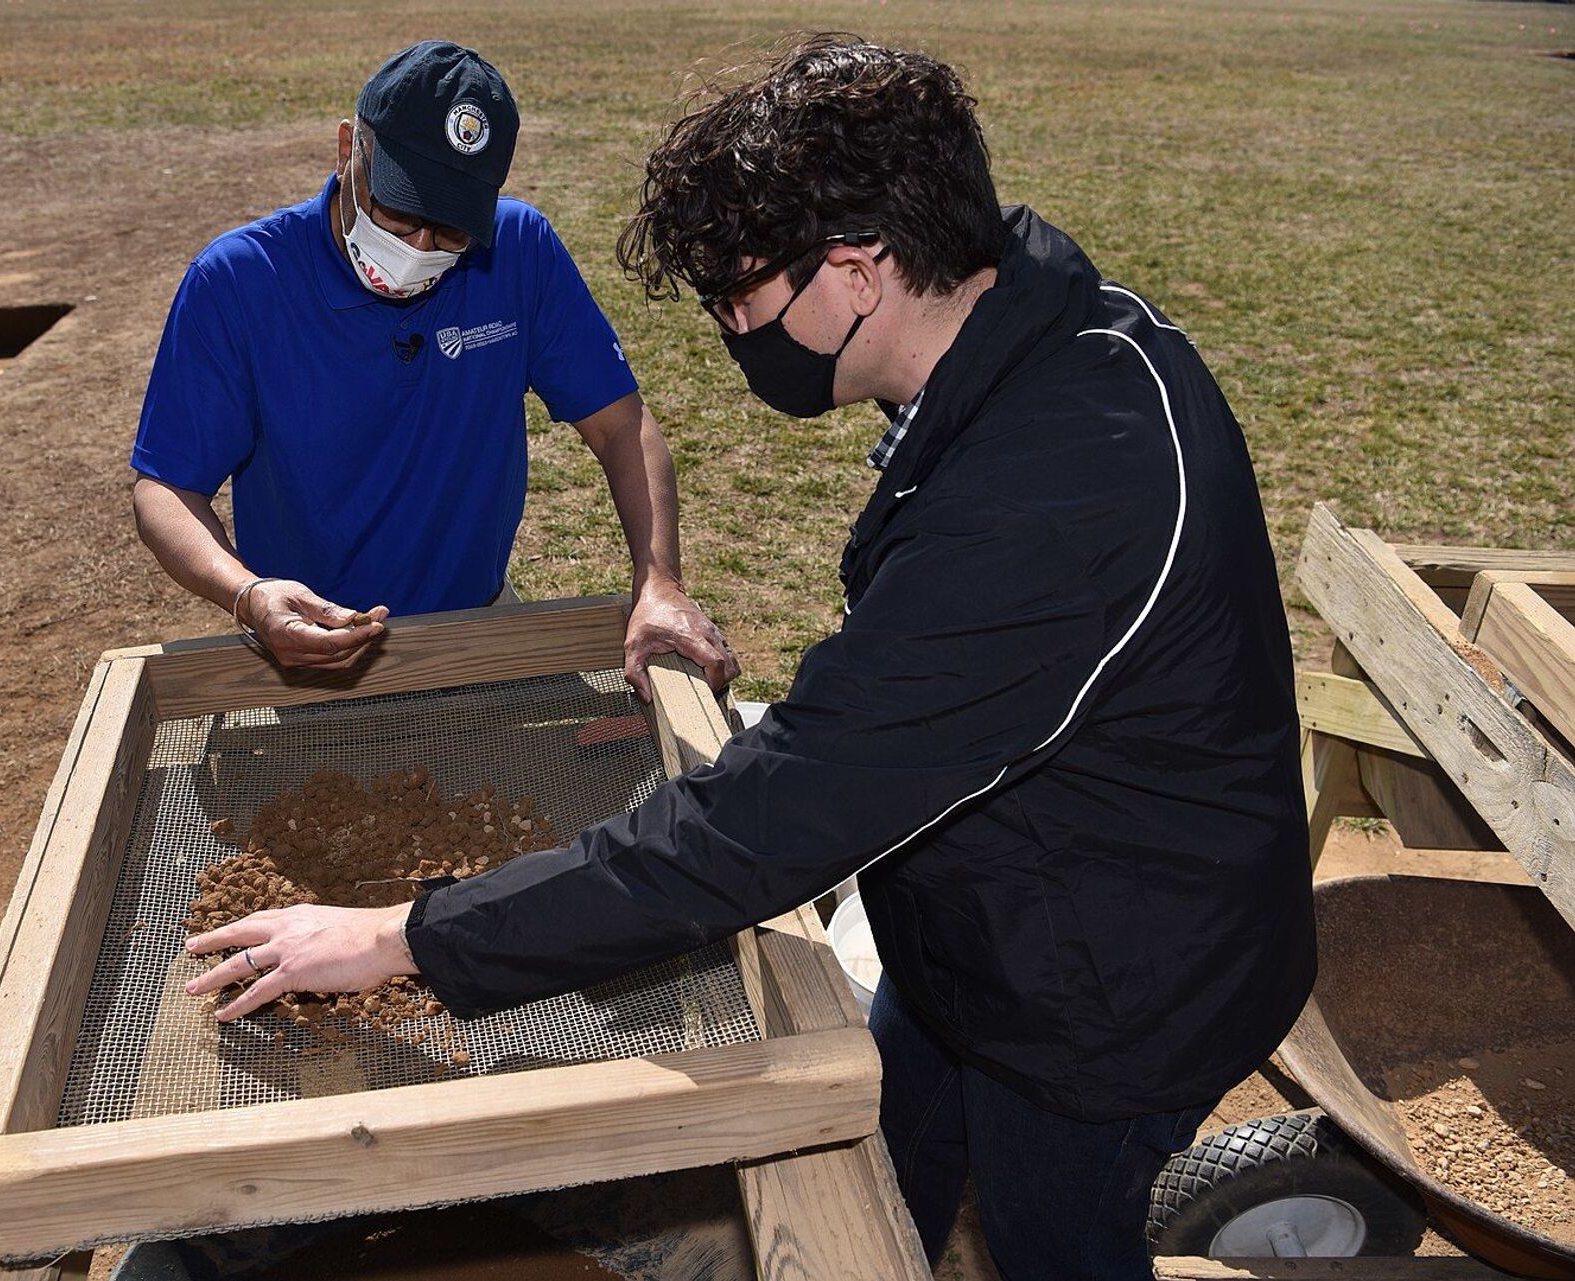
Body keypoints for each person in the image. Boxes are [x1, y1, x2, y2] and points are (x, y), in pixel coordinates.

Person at [182, 36, 1316, 1279]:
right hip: (982, 940)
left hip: (1116, 997)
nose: (733, 332)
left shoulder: (1053, 496)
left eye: (741, 300)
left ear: (857, 270)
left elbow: (758, 829)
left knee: (1055, 1234)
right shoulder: (1043, 342)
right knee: (881, 1176)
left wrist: (409, 937)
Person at [130, 39, 736, 699]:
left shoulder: (519, 251)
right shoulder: (240, 282)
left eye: (450, 230)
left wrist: (659, 584)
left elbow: (623, 428)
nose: (419, 249)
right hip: (308, 654)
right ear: (347, 150)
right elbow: (164, 489)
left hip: (478, 628)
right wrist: (249, 596)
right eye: (400, 211)